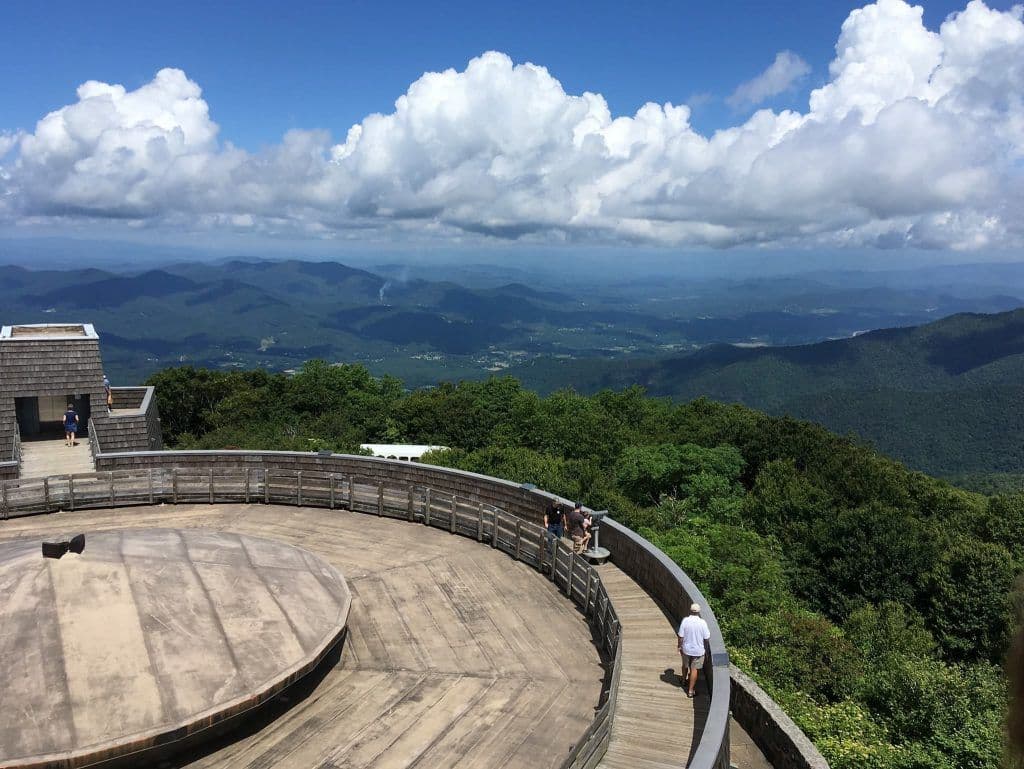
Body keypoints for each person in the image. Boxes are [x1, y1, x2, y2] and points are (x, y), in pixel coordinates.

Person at [677, 602, 711, 698]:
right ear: (699, 612)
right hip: (698, 651)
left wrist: (679, 646)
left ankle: (683, 681)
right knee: (694, 669)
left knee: (684, 665)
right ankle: (691, 691)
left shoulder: (685, 621)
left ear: (690, 610)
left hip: (686, 649)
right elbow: (707, 638)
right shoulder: (702, 622)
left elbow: (680, 636)